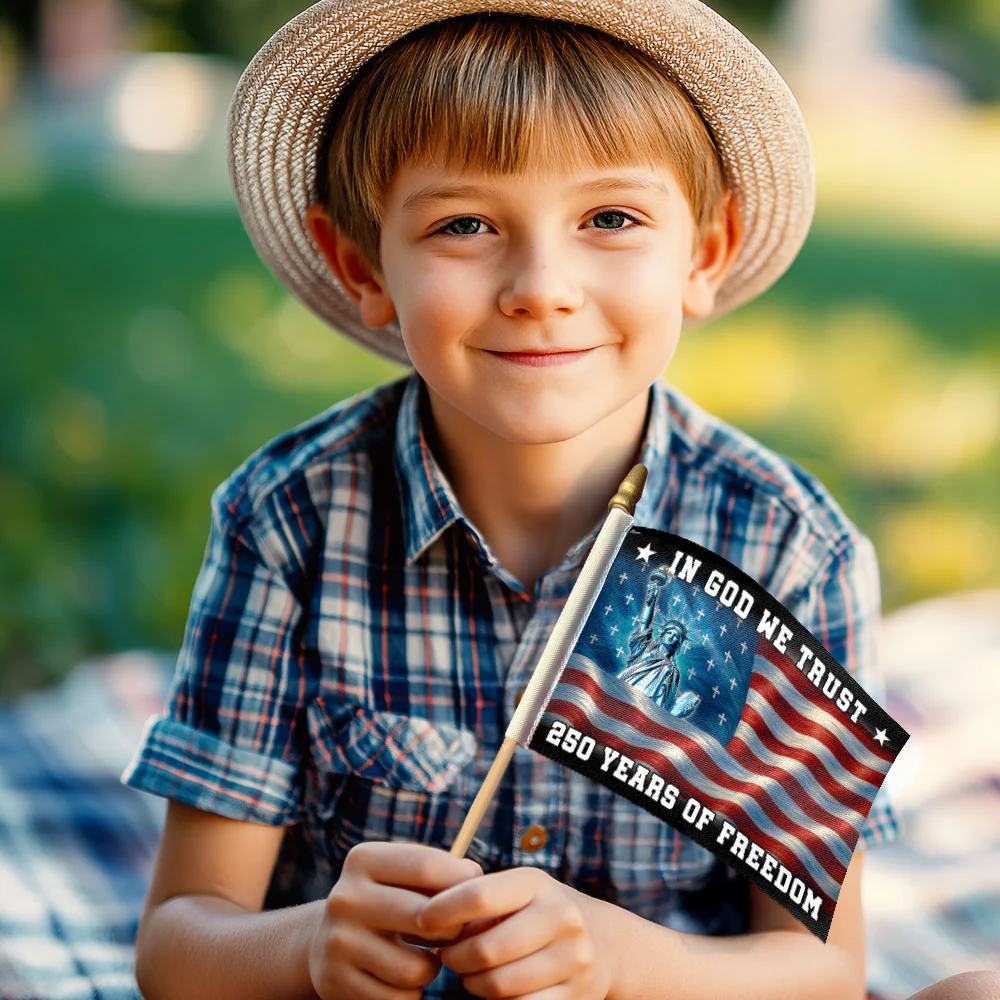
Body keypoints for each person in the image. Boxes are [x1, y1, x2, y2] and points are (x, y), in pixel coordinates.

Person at [121, 2, 902, 998]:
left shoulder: (788, 549)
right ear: (362, 267)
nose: (541, 285)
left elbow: (823, 969)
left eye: (609, 218)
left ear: (703, 254)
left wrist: (615, 957)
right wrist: (307, 946)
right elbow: (180, 945)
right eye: (464, 224)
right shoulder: (288, 521)